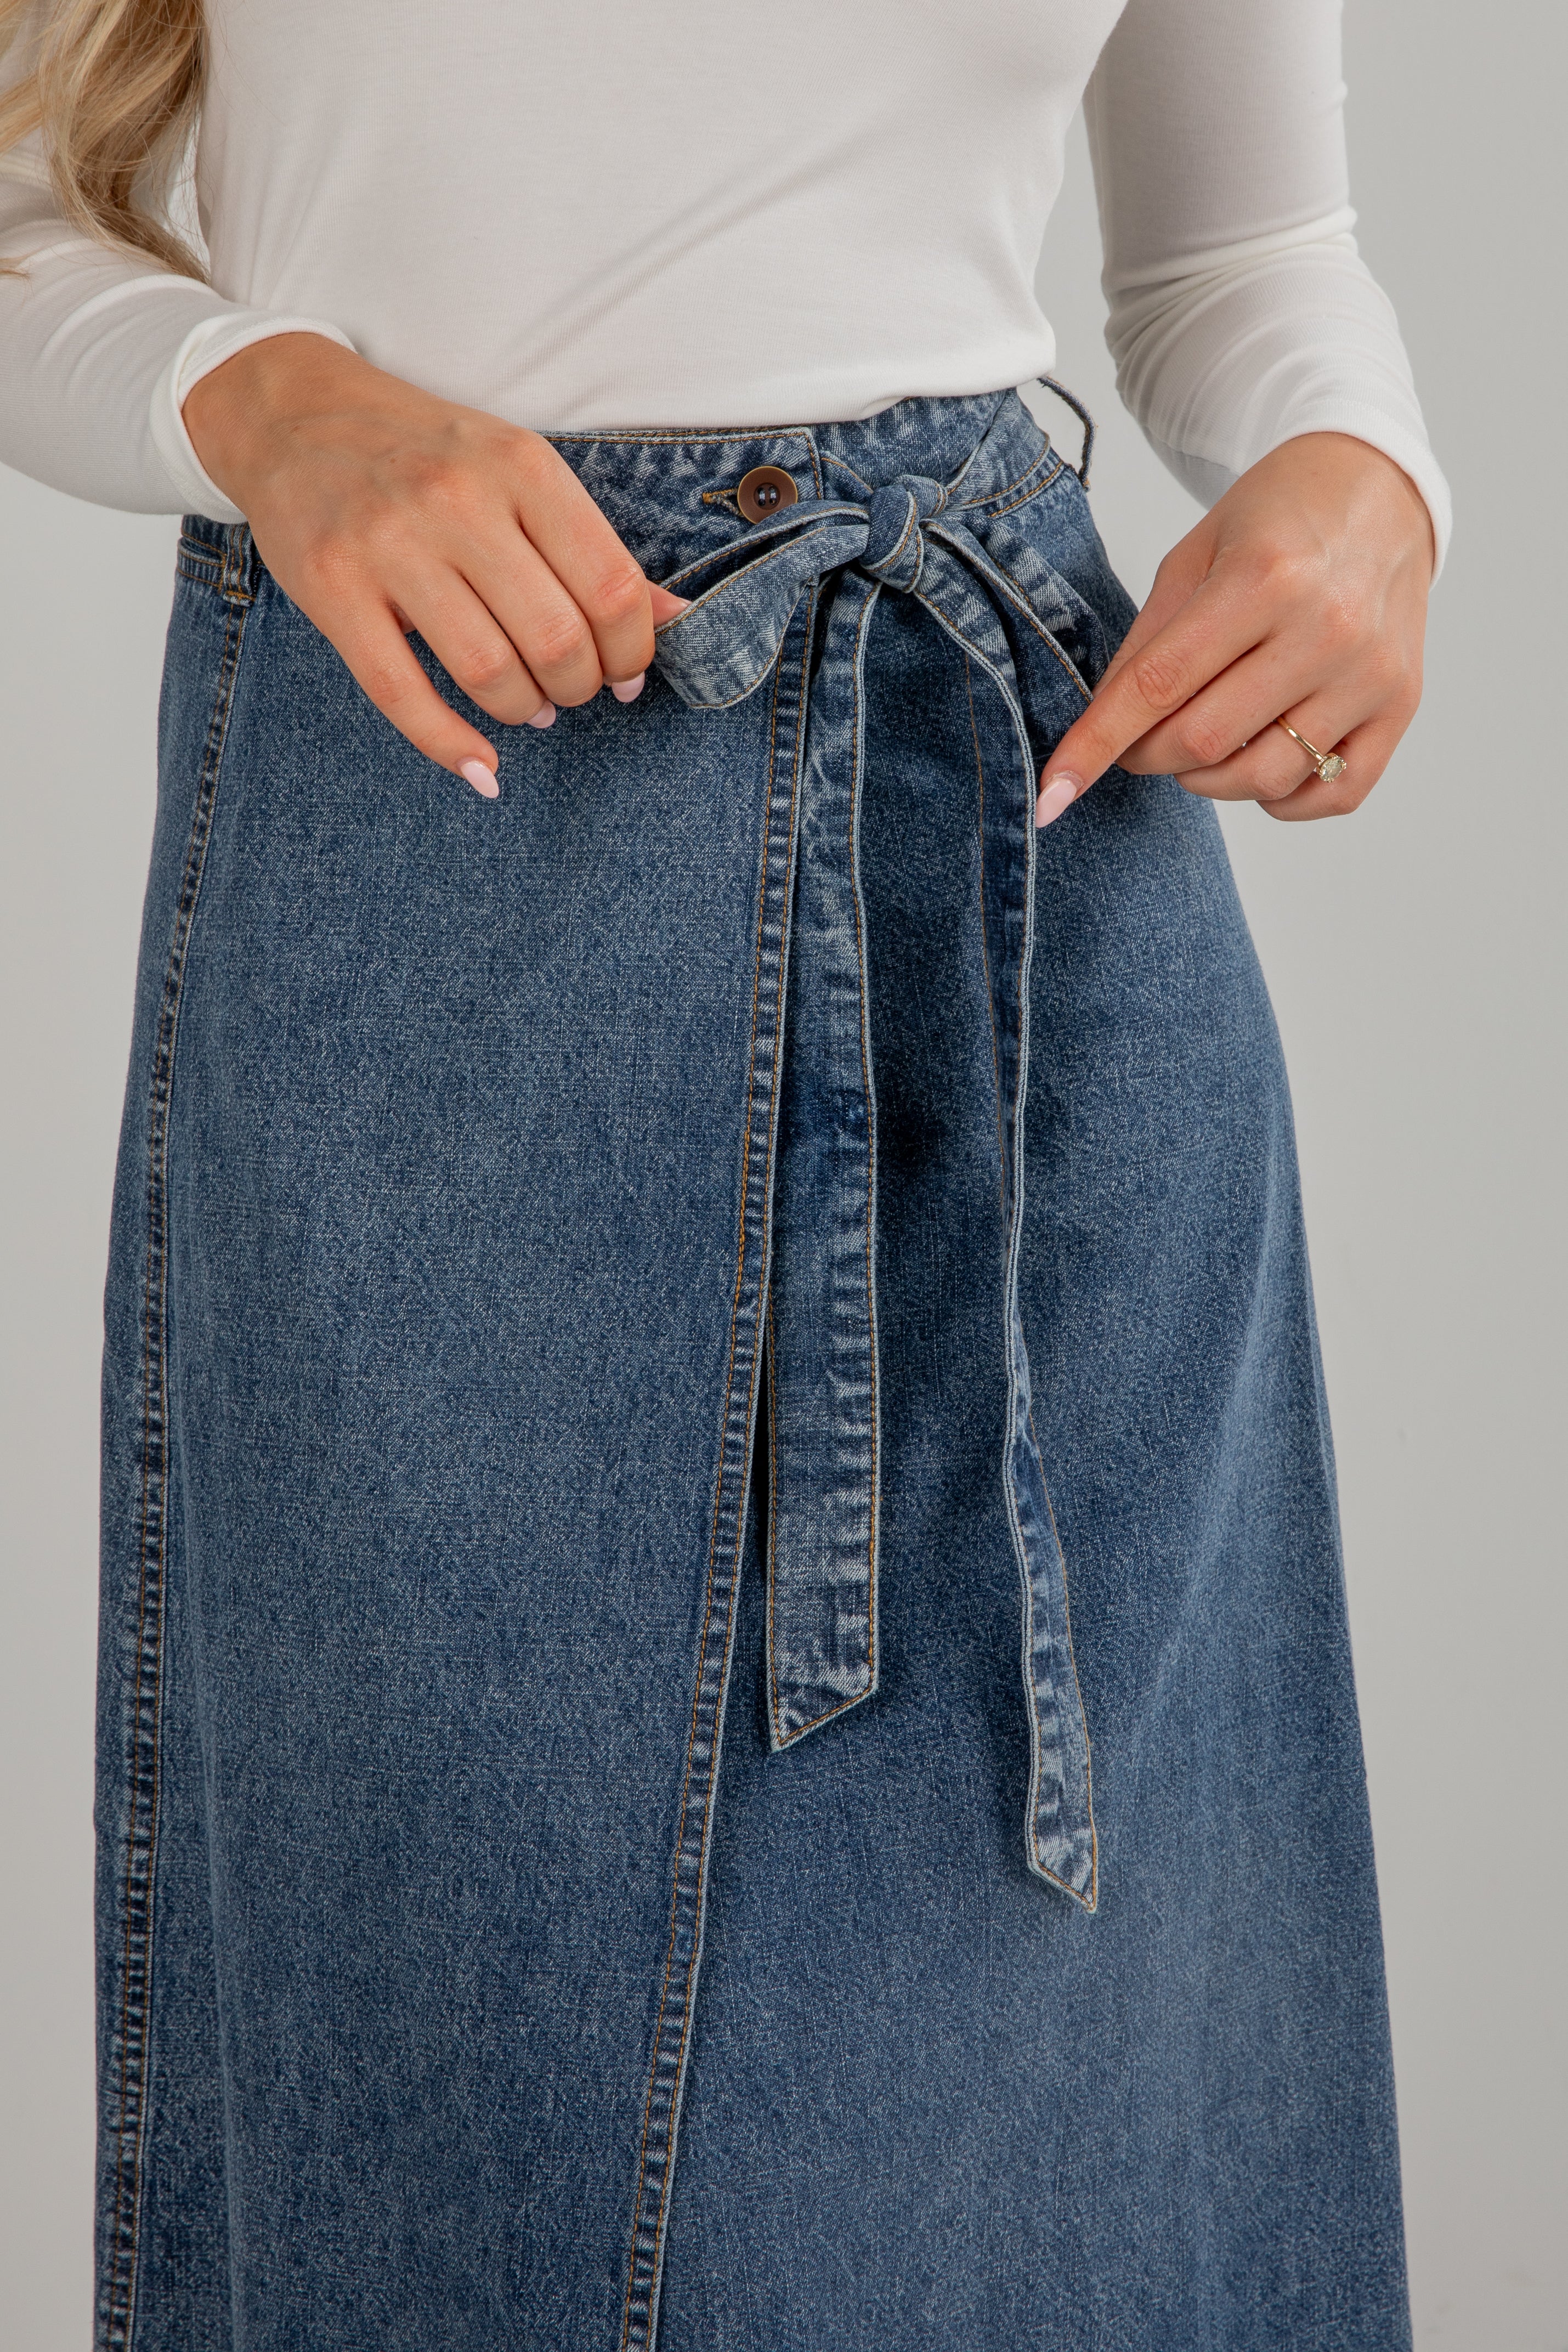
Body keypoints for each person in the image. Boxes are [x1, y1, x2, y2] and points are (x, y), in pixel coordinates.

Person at [1, 2, 1446, 2346]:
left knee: (1079, 2164)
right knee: (461, 2141)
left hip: (1020, 877)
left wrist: (1363, 473)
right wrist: (259, 398)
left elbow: (1247, 254)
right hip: (441, 868)